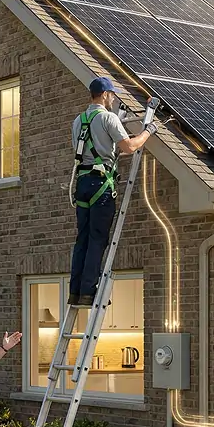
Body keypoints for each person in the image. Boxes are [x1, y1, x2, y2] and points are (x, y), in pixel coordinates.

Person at [69, 77, 158, 307]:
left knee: (83, 239)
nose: (114, 98)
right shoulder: (108, 118)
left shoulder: (78, 121)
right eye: (113, 95)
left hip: (83, 184)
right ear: (106, 95)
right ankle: (89, 290)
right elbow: (128, 147)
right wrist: (148, 131)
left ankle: (76, 290)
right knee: (98, 239)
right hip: (101, 185)